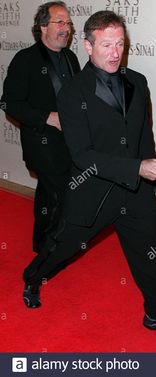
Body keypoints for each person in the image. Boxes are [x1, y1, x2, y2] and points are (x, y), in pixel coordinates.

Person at [22, 10, 156, 343]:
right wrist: (136, 169)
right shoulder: (72, 94)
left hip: (136, 190)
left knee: (148, 254)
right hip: (93, 192)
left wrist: (153, 185)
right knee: (62, 247)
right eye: (106, 45)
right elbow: (82, 155)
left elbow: (144, 137)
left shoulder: (137, 81)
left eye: (120, 44)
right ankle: (33, 276)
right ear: (87, 46)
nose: (115, 52)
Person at [1, 1, 80, 253]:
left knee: (53, 193)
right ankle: (47, 245)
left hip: (72, 142)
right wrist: (48, 116)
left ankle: (47, 242)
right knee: (57, 192)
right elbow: (9, 103)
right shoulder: (25, 59)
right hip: (42, 142)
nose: (66, 28)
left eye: (68, 23)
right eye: (60, 22)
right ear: (43, 26)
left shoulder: (70, 57)